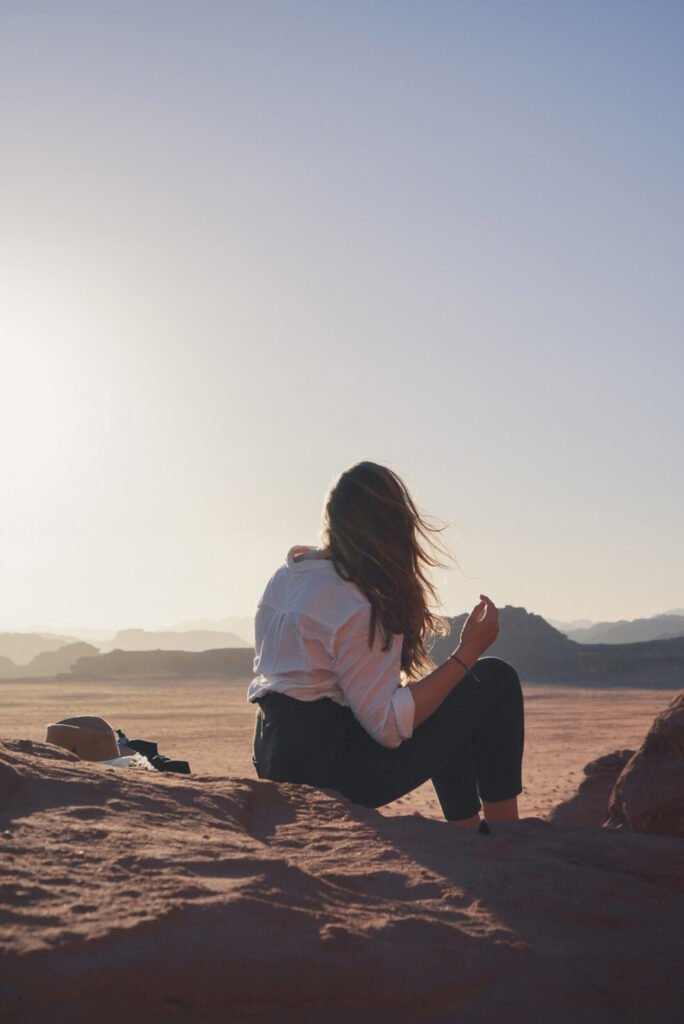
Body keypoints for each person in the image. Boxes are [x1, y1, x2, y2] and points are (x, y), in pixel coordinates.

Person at [248, 461, 524, 832]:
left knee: (444, 693)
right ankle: (506, 834)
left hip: (274, 754)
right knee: (494, 679)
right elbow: (388, 727)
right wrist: (467, 652)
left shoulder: (288, 576)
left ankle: (467, 833)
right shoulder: (355, 601)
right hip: (331, 771)